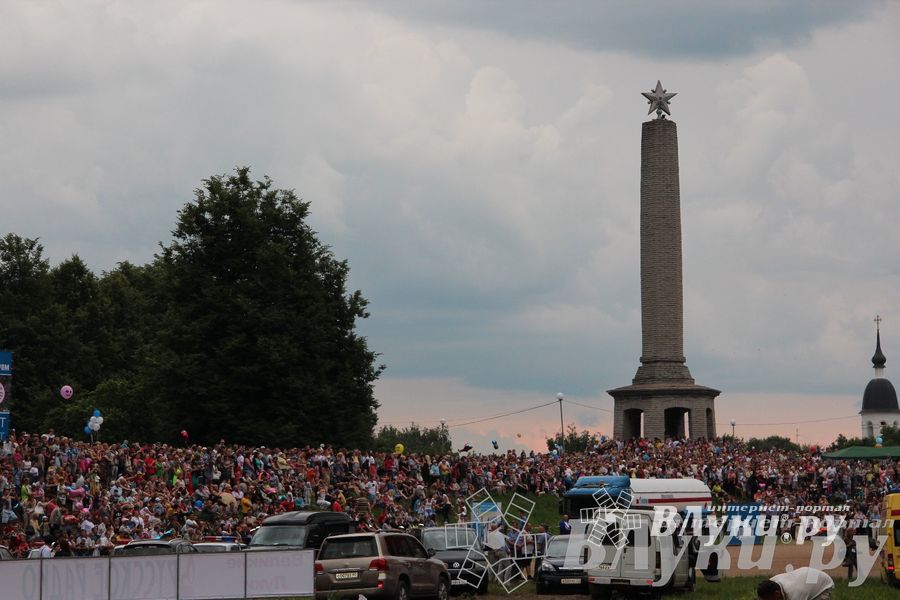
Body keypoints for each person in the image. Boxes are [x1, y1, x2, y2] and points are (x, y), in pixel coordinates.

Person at [757, 567, 834, 600]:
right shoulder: (772, 581)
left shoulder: (796, 594)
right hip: (805, 576)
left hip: (822, 585)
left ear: (777, 593)